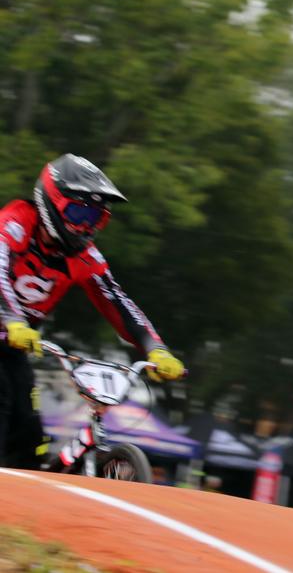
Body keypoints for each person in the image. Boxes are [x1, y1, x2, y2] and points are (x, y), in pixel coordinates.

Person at [0, 154, 184, 469]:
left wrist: (156, 348)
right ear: (50, 204)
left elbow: (116, 300)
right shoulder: (16, 222)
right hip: (12, 331)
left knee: (30, 436)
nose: (85, 226)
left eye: (95, 218)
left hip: (14, 347)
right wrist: (12, 319)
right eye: (77, 213)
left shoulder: (85, 256)